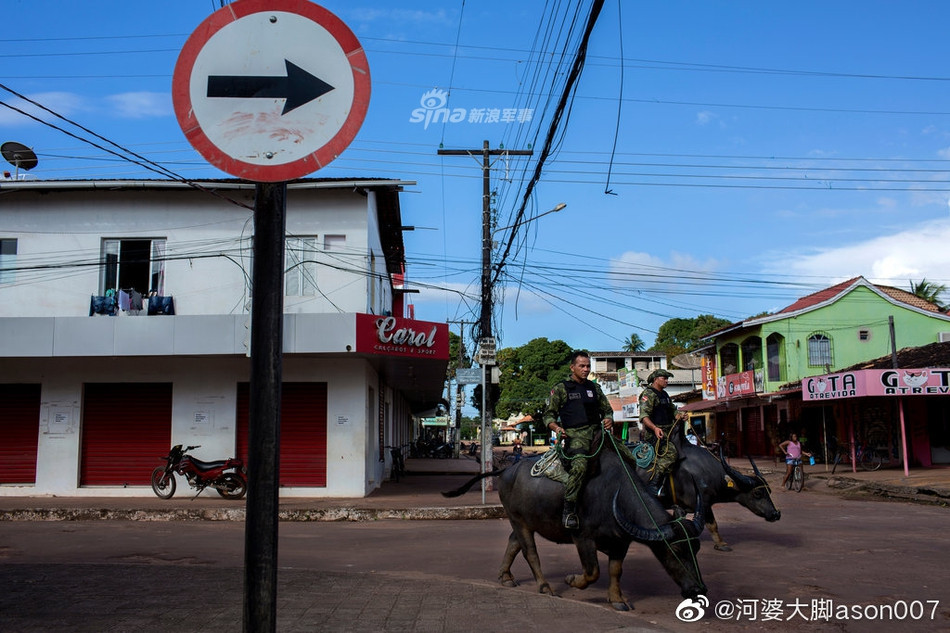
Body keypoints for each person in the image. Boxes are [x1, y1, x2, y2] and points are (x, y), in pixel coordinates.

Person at [543, 350, 613, 530]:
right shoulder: (561, 388)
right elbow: (548, 416)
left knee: (627, 457)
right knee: (580, 465)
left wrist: (608, 418)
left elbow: (607, 410)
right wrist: (557, 428)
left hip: (597, 433)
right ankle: (569, 510)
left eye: (588, 366)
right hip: (575, 436)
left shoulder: (594, 388)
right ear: (572, 367)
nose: (586, 369)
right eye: (582, 366)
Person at [639, 369, 688, 495]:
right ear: (655, 379)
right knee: (671, 453)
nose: (666, 381)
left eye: (667, 379)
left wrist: (680, 415)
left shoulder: (665, 394)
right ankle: (654, 484)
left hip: (670, 431)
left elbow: (673, 411)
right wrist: (655, 428)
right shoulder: (648, 394)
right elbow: (644, 416)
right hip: (656, 434)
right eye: (664, 378)